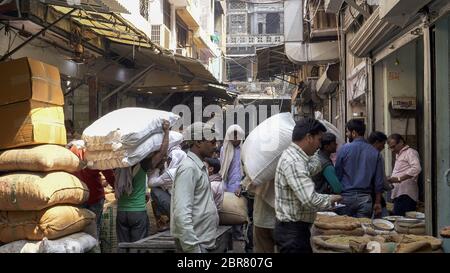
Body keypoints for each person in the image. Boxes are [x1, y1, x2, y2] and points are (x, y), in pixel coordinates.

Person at [274, 118, 342, 253]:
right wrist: (331, 199)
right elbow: (309, 199)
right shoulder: (294, 161)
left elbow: (314, 167)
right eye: (319, 140)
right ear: (309, 137)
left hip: (296, 229)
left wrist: (316, 152)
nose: (319, 145)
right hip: (292, 232)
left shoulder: (299, 156)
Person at [116, 120, 170, 244]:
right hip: (137, 212)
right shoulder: (143, 164)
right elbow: (162, 152)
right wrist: (166, 132)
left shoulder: (118, 166)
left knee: (123, 247)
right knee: (138, 247)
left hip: (121, 212)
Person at [171, 122, 219, 253]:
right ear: (198, 141)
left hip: (203, 243)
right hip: (196, 246)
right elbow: (181, 213)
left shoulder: (199, 167)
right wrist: (192, 248)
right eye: (212, 142)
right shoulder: (188, 168)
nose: (215, 146)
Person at [335, 119, 384, 218]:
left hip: (345, 198)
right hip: (365, 199)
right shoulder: (375, 152)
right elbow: (379, 182)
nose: (346, 134)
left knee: (343, 230)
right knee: (363, 230)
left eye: (347, 131)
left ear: (353, 133)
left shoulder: (343, 149)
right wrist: (378, 202)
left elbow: (338, 175)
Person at [68, 143, 115, 239]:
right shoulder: (96, 154)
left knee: (80, 229)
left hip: (80, 198)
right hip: (95, 197)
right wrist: (117, 186)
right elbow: (109, 174)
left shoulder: (71, 153)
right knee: (94, 229)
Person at [148, 149, 187, 231]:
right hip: (185, 206)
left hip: (178, 207)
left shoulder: (172, 172)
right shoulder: (185, 170)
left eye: (170, 159)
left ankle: (167, 221)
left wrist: (157, 169)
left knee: (155, 190)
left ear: (176, 159)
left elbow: (151, 183)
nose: (167, 162)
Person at [220, 125, 247, 242]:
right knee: (229, 210)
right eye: (232, 136)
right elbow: (223, 168)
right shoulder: (224, 149)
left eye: (237, 136)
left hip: (242, 185)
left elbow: (247, 169)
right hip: (228, 183)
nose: (235, 139)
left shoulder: (245, 149)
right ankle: (229, 236)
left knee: (240, 210)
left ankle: (238, 234)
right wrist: (224, 185)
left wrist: (241, 185)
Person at [387, 134, 422, 216]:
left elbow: (417, 168)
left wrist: (399, 179)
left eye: (393, 146)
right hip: (399, 193)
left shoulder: (410, 152)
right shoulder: (399, 154)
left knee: (402, 220)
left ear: (401, 142)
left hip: (406, 194)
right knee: (398, 220)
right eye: (390, 148)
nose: (392, 150)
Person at [368, 131, 392, 218]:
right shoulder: (377, 155)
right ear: (377, 142)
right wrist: (390, 187)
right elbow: (380, 178)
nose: (383, 147)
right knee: (383, 220)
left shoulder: (362, 153)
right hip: (374, 194)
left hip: (361, 195)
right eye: (383, 144)